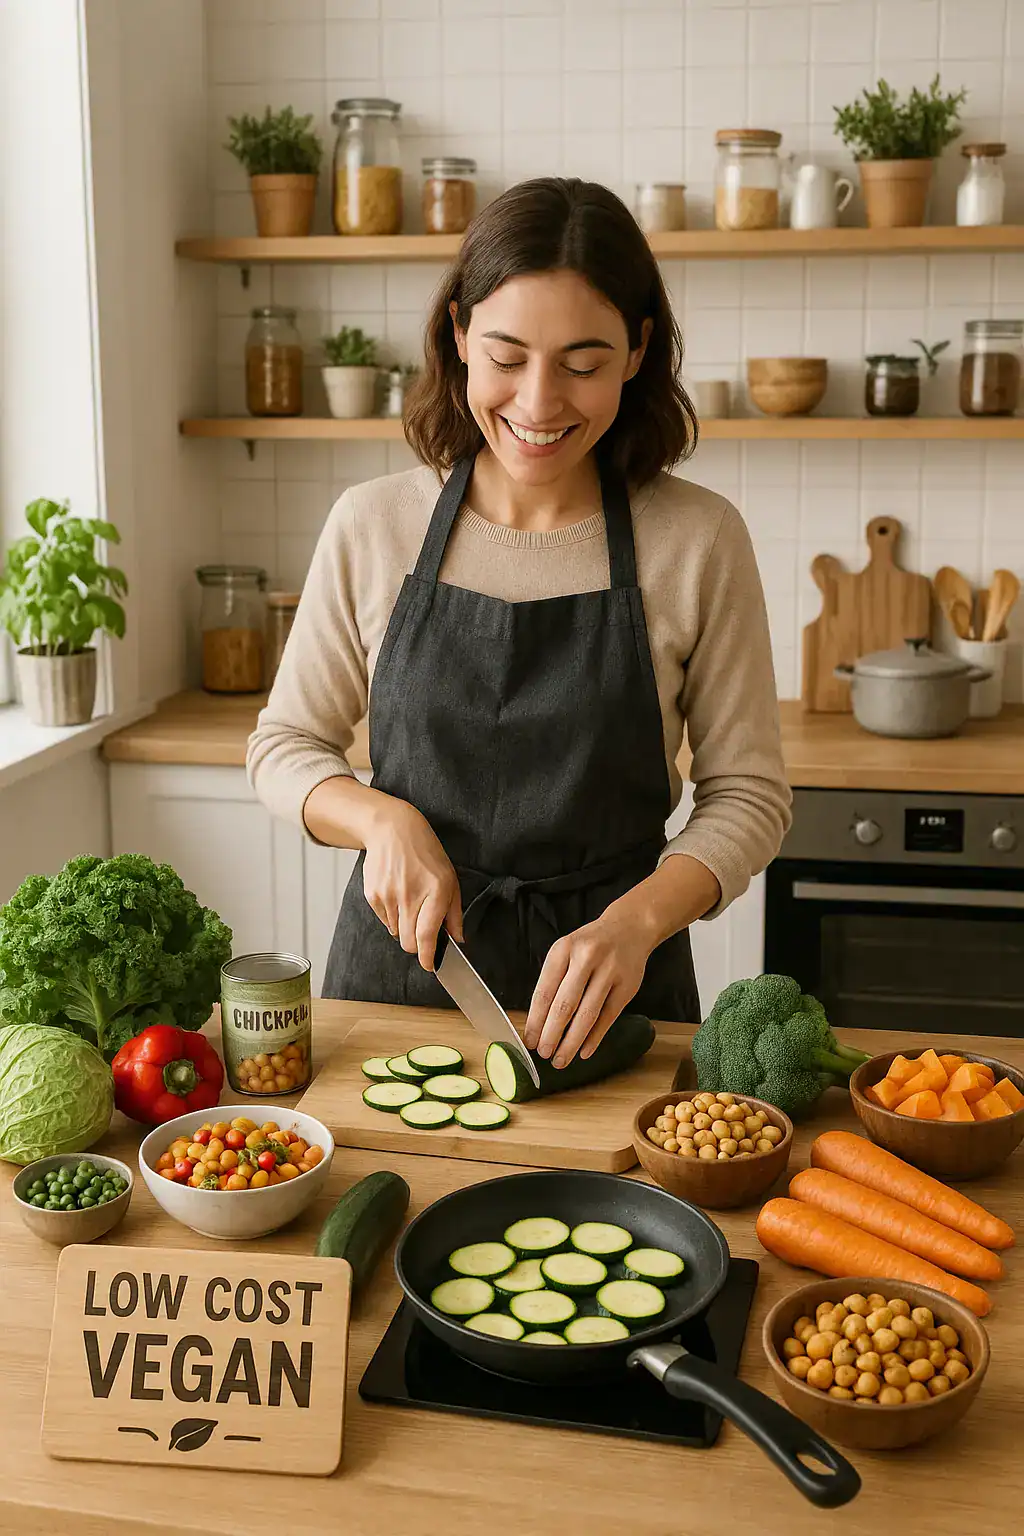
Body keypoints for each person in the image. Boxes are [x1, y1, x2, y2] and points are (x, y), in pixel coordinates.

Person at [247, 177, 791, 1072]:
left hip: (617, 995)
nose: (539, 404)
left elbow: (749, 796)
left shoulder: (698, 538)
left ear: (637, 351)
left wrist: (639, 922)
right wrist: (381, 821)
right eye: (506, 357)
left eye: (583, 364)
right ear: (459, 335)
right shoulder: (373, 522)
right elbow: (284, 746)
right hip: (400, 989)